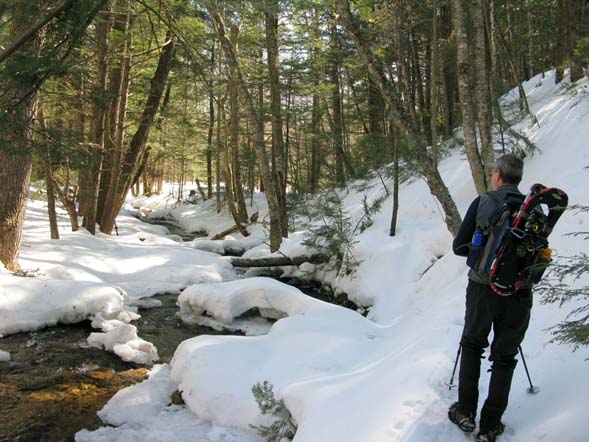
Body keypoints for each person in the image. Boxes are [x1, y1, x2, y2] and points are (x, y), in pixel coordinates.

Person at [449, 154, 533, 442]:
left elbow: (459, 246)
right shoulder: (532, 208)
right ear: (518, 178)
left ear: (497, 174)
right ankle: (491, 425)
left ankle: (465, 412)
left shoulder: (484, 201)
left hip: (483, 288)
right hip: (519, 291)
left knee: (472, 345)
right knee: (505, 357)